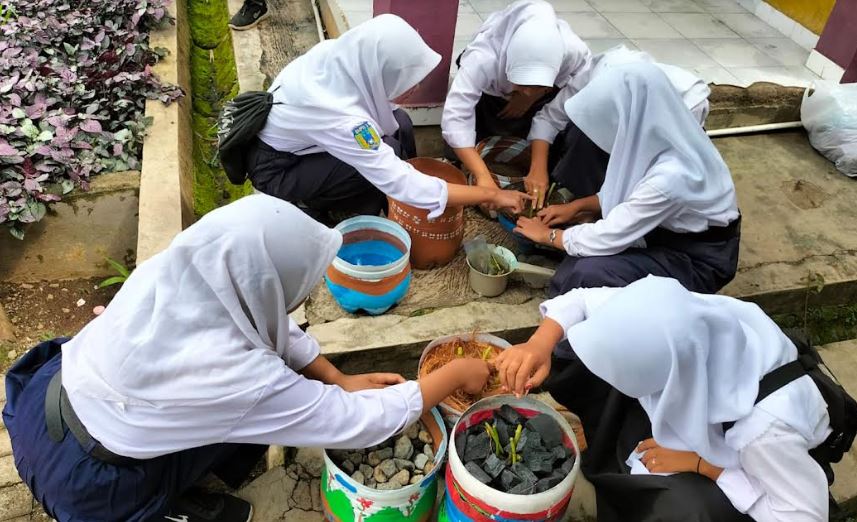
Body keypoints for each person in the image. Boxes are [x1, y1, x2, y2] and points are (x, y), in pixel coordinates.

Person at [2, 194, 492, 522]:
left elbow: (267, 327)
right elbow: (358, 424)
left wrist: (337, 376)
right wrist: (452, 375)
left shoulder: (187, 266)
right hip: (86, 484)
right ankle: (167, 508)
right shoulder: (237, 376)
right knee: (255, 417)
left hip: (39, 404)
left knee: (246, 411)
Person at [496, 276, 831, 522]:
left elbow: (804, 516)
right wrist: (539, 344)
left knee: (681, 508)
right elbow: (583, 299)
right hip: (725, 405)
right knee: (583, 362)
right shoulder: (674, 311)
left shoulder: (764, 433)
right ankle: (613, 458)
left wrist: (704, 466)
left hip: (766, 468)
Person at [243, 15, 528, 225]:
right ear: (382, 72)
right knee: (376, 165)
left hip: (300, 143)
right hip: (277, 170)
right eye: (409, 81)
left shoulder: (343, 57)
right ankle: (324, 206)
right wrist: (487, 195)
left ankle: (404, 192)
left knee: (402, 122)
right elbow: (395, 176)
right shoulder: (342, 117)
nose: (416, 88)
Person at [513, 63, 740, 297]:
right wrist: (576, 207)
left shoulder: (673, 174)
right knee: (577, 251)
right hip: (664, 233)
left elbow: (610, 235)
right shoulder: (664, 138)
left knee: (582, 274)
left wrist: (547, 236)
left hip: (697, 259)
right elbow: (633, 193)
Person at [441, 0, 591, 201]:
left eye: (537, 85)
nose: (528, 92)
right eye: (521, 82)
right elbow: (456, 119)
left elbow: (556, 112)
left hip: (542, 92)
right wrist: (484, 178)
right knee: (479, 140)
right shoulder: (484, 58)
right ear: (508, 63)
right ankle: (466, 170)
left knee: (536, 141)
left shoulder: (573, 53)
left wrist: (538, 168)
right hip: (491, 92)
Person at [527, 45, 711, 207]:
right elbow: (550, 118)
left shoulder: (686, 108)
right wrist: (538, 169)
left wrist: (589, 211)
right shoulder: (602, 71)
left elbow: (646, 190)